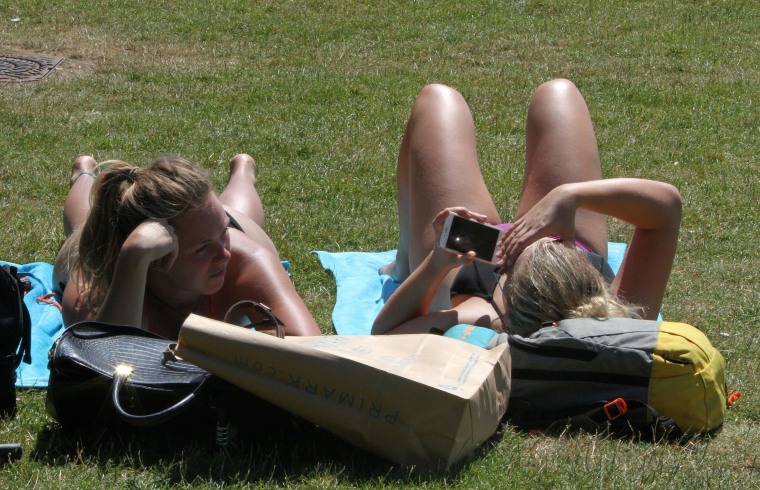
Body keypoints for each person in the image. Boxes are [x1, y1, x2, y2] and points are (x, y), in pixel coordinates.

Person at [372, 80, 682, 336]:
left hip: (464, 266)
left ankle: (404, 261)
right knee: (559, 93)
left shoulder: (483, 315)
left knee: (437, 101)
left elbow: (385, 335)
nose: (529, 233)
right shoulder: (623, 323)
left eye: (516, 247)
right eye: (561, 246)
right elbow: (666, 208)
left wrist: (435, 265)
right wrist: (568, 197)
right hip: (558, 251)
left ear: (508, 286)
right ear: (592, 284)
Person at [54, 154, 321, 338]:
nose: (224, 255)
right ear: (157, 256)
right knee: (86, 221)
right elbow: (106, 364)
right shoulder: (92, 285)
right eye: (202, 248)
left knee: (243, 216)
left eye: (221, 234)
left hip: (229, 223)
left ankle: (243, 170)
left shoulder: (243, 259)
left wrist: (220, 233)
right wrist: (134, 258)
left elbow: (309, 346)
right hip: (115, 248)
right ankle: (84, 172)